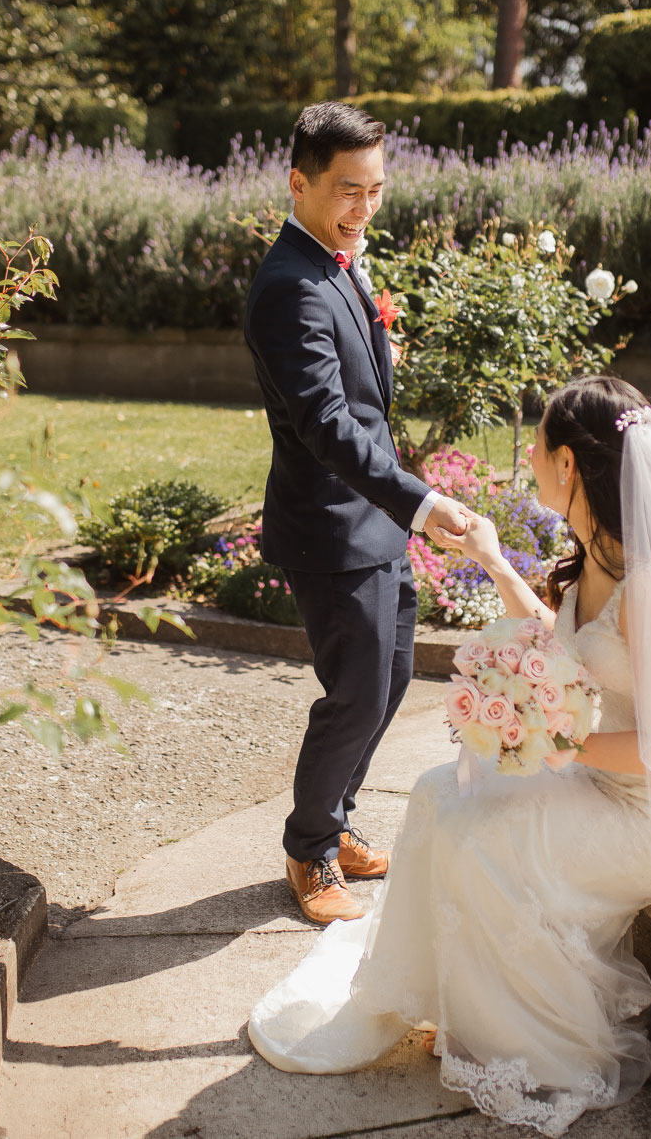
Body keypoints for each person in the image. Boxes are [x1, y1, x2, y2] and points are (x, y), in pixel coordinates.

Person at [247, 375, 651, 1135]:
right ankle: (448, 997)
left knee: (485, 832)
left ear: (569, 464)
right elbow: (561, 648)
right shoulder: (595, 556)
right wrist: (497, 564)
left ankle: (515, 1041)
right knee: (437, 794)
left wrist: (549, 743)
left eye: (536, 445)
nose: (529, 458)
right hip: (603, 778)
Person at [243, 101, 475, 927]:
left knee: (393, 678)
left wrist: (380, 350)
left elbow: (355, 387)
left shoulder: (339, 262)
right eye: (348, 190)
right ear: (299, 182)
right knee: (354, 694)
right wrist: (420, 499)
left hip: (373, 520)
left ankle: (334, 823)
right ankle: (308, 848)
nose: (364, 208)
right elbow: (328, 425)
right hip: (335, 526)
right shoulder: (287, 287)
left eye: (376, 189)